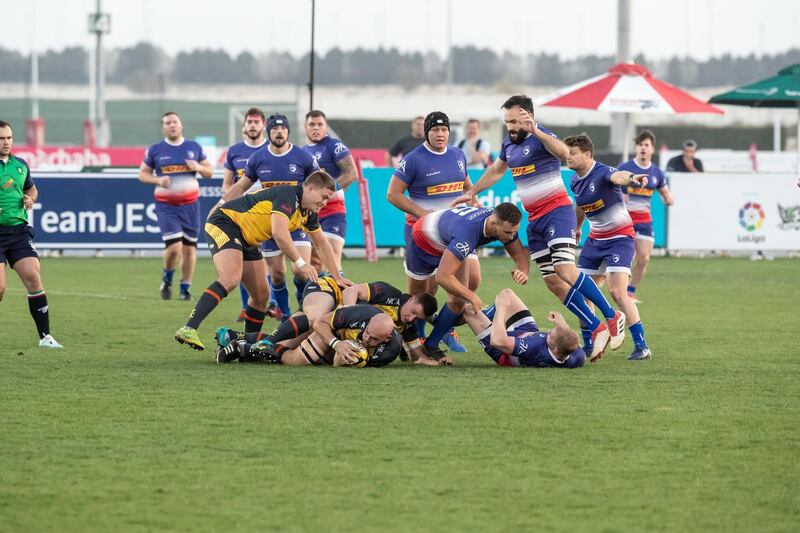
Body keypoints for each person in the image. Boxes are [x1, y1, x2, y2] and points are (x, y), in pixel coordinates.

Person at [451, 95, 625, 361]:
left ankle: (612, 317)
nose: (509, 126)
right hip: (536, 220)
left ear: (527, 117)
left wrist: (536, 131)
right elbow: (497, 171)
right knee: (553, 281)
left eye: (514, 121)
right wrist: (473, 190)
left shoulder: (541, 135)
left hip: (557, 212)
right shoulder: (509, 142)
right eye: (507, 121)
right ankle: (595, 324)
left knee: (565, 269)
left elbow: (563, 152)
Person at [175, 172, 349, 350]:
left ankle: (246, 346)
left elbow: (322, 244)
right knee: (230, 278)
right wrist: (301, 263)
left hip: (248, 239)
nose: (325, 202)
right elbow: (279, 232)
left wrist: (338, 277)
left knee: (261, 296)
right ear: (310, 188)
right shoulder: (288, 195)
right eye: (324, 197)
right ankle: (189, 328)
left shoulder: (308, 213)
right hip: (224, 223)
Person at [387, 111, 475, 352]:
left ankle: (442, 332)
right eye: (435, 130)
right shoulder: (414, 159)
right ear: (427, 132)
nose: (440, 134)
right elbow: (392, 194)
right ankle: (414, 339)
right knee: (421, 292)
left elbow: (466, 185)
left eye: (444, 129)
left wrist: (472, 200)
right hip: (422, 235)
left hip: (453, 234)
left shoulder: (458, 155)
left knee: (469, 282)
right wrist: (421, 212)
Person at [215, 276, 450, 366]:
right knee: (315, 319)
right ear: (411, 299)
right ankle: (258, 344)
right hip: (328, 290)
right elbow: (352, 291)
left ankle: (238, 340)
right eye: (412, 312)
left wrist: (433, 361)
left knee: (292, 348)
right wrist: (347, 316)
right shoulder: (389, 293)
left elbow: (415, 354)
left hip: (336, 321)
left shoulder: (403, 327)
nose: (411, 318)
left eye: (417, 318)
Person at [223, 114, 320, 318]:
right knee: (277, 274)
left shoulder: (303, 157)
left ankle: (304, 311)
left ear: (288, 132)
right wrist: (222, 205)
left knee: (301, 270)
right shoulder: (258, 158)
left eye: (283, 129)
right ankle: (284, 315)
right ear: (269, 132)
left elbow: (318, 184)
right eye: (275, 129)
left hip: (296, 222)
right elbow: (241, 186)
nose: (279, 132)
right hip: (270, 225)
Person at [565, 133, 652, 361]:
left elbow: (619, 177)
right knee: (582, 294)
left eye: (572, 153)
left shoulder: (603, 172)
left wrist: (632, 177)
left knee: (617, 292)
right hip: (594, 241)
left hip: (620, 239)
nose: (568, 157)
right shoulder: (574, 180)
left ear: (587, 154)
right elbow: (580, 206)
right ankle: (591, 344)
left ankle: (641, 346)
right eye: (566, 153)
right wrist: (577, 228)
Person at [405, 203, 530, 358]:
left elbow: (520, 256)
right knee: (416, 297)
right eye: (508, 233)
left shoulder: (504, 224)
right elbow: (442, 277)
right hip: (423, 238)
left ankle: (431, 345)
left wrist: (523, 271)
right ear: (492, 224)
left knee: (458, 299)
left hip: (451, 239)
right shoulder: (468, 234)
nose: (511, 237)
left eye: (514, 232)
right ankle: (414, 342)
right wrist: (473, 297)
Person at [139, 111, 213, 301]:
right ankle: (167, 278)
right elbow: (142, 174)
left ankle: (185, 289)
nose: (172, 125)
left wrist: (199, 168)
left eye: (175, 122)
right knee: (174, 248)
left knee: (189, 250)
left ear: (181, 125)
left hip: (190, 206)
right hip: (166, 207)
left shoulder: (193, 147)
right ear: (163, 127)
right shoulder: (156, 149)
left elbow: (209, 172)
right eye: (167, 123)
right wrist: (157, 179)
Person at [0, 120, 62, 348]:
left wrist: (30, 199)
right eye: (1, 138)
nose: (6, 142)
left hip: (18, 232)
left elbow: (31, 189)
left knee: (34, 277)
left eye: (9, 137)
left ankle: (45, 337)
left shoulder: (20, 165)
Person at [221, 107, 280, 322]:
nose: (253, 125)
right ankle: (251, 307)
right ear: (244, 126)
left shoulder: (273, 148)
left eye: (257, 122)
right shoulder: (235, 151)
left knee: (275, 266)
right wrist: (226, 196)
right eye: (249, 122)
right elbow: (228, 182)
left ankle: (272, 302)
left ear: (263, 125)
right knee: (246, 259)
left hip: (270, 211)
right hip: (244, 214)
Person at [214, 304, 405, 367]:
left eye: (373, 340)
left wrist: (341, 356)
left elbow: (344, 363)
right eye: (367, 334)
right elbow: (319, 322)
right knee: (296, 358)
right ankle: (245, 347)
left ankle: (236, 339)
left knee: (287, 343)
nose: (366, 340)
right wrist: (336, 343)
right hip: (322, 319)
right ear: (368, 323)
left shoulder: (389, 351)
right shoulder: (359, 313)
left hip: (328, 325)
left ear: (386, 338)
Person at [462, 288, 585, 368]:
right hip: (528, 332)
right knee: (508, 294)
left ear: (556, 349)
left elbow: (497, 341)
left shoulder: (534, 349)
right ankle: (487, 316)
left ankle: (450, 331)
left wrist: (501, 309)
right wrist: (562, 324)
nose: (548, 331)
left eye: (550, 335)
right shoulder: (576, 357)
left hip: (502, 350)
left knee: (466, 308)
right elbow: (573, 341)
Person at [618, 130, 674, 303]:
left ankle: (630, 291)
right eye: (640, 144)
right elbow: (612, 186)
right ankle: (620, 290)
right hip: (626, 220)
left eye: (646, 145)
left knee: (644, 258)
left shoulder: (657, 173)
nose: (643, 148)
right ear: (636, 148)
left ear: (652, 150)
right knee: (627, 257)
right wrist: (621, 195)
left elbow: (665, 193)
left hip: (644, 221)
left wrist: (668, 198)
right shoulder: (624, 168)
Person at [302, 110, 358, 273]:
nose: (316, 128)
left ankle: (338, 296)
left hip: (333, 210)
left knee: (332, 255)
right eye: (312, 124)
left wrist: (327, 191)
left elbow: (351, 173)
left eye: (320, 124)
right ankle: (313, 295)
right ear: (305, 127)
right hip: (309, 212)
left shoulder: (333, 145)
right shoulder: (302, 151)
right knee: (313, 261)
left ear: (325, 127)